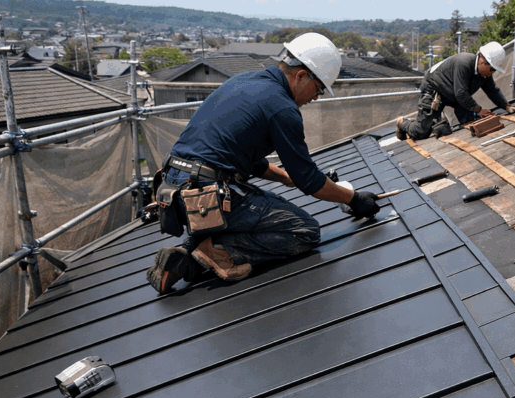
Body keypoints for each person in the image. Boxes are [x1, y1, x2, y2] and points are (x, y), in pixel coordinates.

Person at [147, 32, 381, 294]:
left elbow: (247, 159)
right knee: (304, 231)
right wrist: (354, 199)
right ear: (302, 75)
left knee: (243, 207)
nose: (315, 98)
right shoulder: (282, 108)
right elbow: (310, 181)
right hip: (207, 193)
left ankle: (184, 256)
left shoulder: (242, 81)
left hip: (173, 191)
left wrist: (284, 177)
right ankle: (213, 253)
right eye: (317, 90)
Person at [396, 42, 515, 141]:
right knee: (422, 131)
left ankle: (440, 122)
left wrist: (506, 106)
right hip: (435, 89)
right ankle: (403, 123)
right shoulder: (464, 63)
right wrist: (479, 109)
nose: (491, 73)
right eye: (492, 69)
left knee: (473, 122)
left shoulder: (484, 74)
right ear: (482, 61)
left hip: (454, 94)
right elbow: (461, 94)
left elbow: (492, 90)